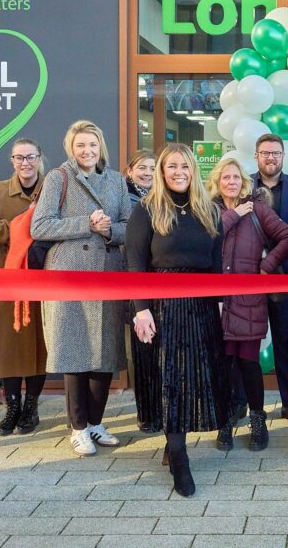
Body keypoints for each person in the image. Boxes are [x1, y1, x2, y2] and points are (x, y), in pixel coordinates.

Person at [128, 143, 228, 497]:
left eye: (184, 166)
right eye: (171, 166)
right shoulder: (147, 208)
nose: (178, 172)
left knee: (195, 380)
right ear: (162, 171)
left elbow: (217, 264)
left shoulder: (209, 210)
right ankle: (180, 458)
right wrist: (141, 309)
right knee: (170, 379)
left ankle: (175, 445)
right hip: (162, 306)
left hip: (201, 305)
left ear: (193, 170)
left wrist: (218, 304)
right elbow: (135, 263)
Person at [31, 120, 131, 456]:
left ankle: (96, 423)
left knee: (104, 352)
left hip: (106, 273)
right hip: (69, 273)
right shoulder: (58, 178)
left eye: (92, 145)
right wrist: (86, 224)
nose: (87, 151)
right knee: (74, 349)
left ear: (101, 146)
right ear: (70, 149)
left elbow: (128, 228)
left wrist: (107, 231)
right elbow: (40, 226)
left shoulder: (117, 180)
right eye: (80, 146)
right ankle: (77, 427)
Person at [209, 156, 288, 452]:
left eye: (235, 177)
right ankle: (226, 420)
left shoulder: (258, 209)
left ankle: (258, 419)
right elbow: (208, 237)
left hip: (248, 300)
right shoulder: (209, 210)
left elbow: (287, 236)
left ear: (244, 182)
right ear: (217, 182)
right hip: (217, 301)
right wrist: (234, 215)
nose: (231, 182)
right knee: (223, 364)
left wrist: (267, 266)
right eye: (225, 177)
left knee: (249, 363)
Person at [0, 138, 50, 437]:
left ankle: (31, 407)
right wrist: (25, 228)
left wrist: (19, 229)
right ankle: (12, 406)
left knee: (38, 344)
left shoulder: (51, 189)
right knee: (7, 345)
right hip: (3, 280)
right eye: (19, 157)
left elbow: (56, 227)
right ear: (11, 160)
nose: (25, 163)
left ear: (39, 158)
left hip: (41, 278)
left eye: (30, 157)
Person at [252, 133, 288, 427]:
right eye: (265, 153)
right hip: (249, 278)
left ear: (283, 156)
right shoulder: (242, 186)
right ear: (256, 156)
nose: (270, 158)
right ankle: (245, 403)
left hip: (287, 277)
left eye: (275, 153)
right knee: (246, 343)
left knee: (287, 341)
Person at [123, 149, 161, 432]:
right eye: (142, 168)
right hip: (138, 287)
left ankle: (161, 408)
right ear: (130, 171)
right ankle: (146, 413)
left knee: (159, 355)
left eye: (152, 167)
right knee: (143, 353)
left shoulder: (164, 199)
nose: (147, 173)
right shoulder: (125, 199)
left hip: (162, 286)